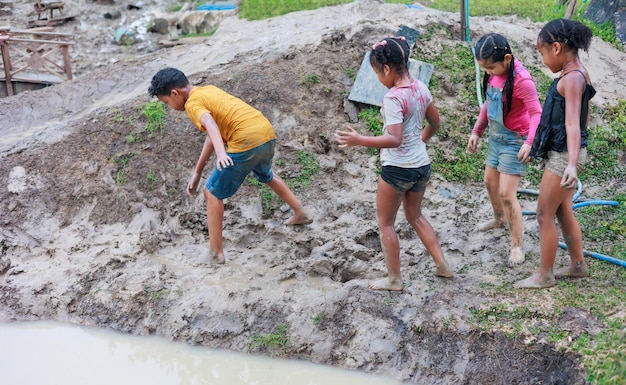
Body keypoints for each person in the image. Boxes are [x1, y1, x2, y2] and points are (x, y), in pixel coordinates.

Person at [148, 67, 313, 264]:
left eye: (167, 102)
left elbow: (209, 123)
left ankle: (216, 253)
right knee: (266, 174)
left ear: (175, 93)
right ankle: (300, 212)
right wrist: (197, 172)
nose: (170, 106)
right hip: (265, 132)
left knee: (212, 193)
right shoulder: (207, 90)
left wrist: (221, 153)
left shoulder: (192, 103)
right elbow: (212, 134)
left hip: (245, 140)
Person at [335, 36, 453, 291]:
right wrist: (419, 142)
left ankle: (394, 279)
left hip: (397, 170)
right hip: (422, 166)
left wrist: (359, 139)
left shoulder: (393, 98)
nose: (378, 78)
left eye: (377, 73)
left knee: (386, 223)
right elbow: (435, 123)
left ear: (387, 69)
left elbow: (394, 138)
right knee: (416, 216)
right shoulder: (421, 87)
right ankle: (442, 264)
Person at [514, 19, 595, 289]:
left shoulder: (571, 78)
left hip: (564, 158)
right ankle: (577, 265)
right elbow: (584, 116)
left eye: (542, 53)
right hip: (567, 152)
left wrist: (571, 164)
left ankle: (544, 275)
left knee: (543, 214)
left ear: (557, 48)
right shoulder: (577, 73)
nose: (542, 59)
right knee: (562, 210)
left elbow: (573, 122)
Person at [466, 33, 542, 266]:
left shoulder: (522, 80)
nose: (488, 72)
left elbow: (536, 113)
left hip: (514, 141)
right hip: (496, 138)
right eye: (484, 69)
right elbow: (488, 105)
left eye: (491, 67)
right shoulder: (492, 76)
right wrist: (477, 131)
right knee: (490, 182)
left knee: (506, 193)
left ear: (507, 58)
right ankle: (499, 219)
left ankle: (517, 246)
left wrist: (530, 143)